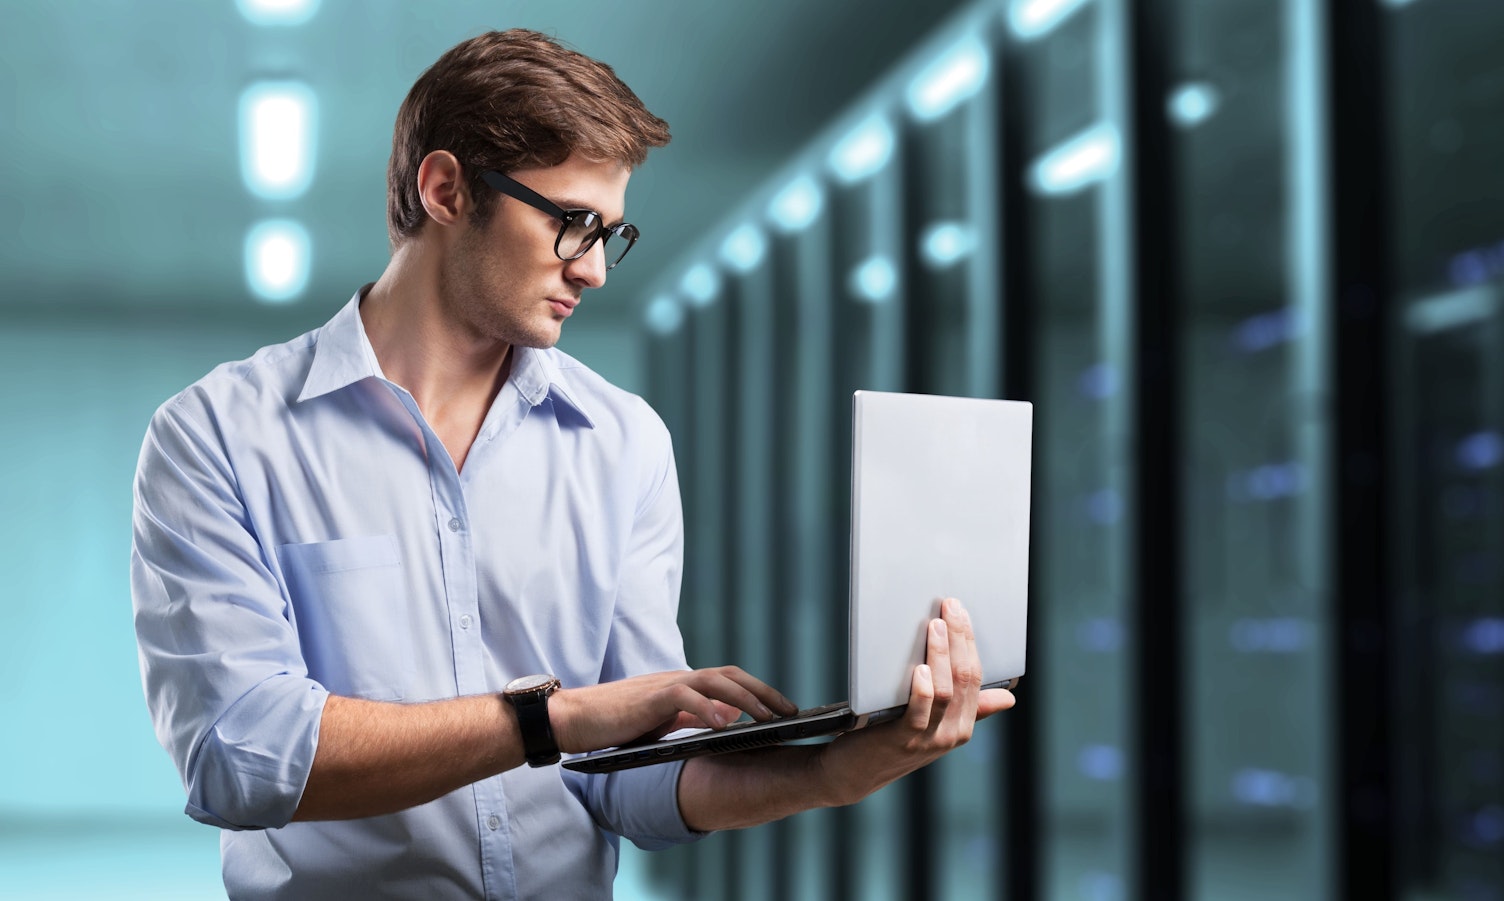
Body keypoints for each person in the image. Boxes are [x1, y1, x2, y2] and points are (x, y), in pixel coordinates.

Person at [130, 28, 1015, 900]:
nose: (593, 269)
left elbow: (626, 776)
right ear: (444, 190)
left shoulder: (624, 441)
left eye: (609, 234)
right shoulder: (219, 436)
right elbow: (239, 756)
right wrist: (547, 719)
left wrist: (834, 772)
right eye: (572, 223)